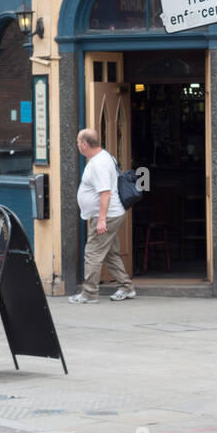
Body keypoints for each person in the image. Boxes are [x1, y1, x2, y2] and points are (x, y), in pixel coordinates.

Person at [68, 128, 136, 303]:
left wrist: (101, 220)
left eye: (77, 142)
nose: (77, 145)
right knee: (109, 253)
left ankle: (89, 293)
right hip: (111, 213)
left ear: (84, 144)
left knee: (92, 252)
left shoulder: (99, 164)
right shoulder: (105, 156)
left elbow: (105, 193)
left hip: (107, 215)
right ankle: (126, 287)